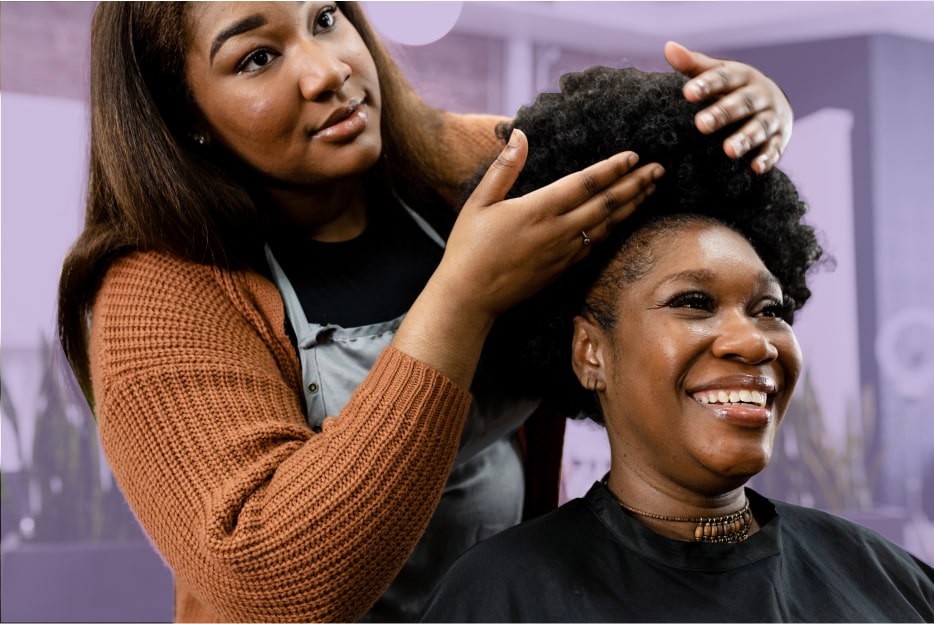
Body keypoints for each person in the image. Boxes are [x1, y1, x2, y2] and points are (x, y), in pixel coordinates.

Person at [55, 3, 797, 622]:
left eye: (326, 17)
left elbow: (672, 214)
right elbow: (265, 579)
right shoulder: (154, 294)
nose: (327, 70)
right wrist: (462, 297)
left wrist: (749, 117)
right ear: (188, 116)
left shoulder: (461, 168)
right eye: (256, 58)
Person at [421, 66, 934, 622]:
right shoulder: (500, 598)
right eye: (693, 302)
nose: (753, 343)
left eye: (770, 310)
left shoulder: (887, 580)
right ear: (590, 351)